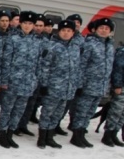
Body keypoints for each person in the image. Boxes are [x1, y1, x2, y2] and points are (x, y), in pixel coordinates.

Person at [0, 11, 43, 148]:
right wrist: (4, 81)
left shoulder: (37, 42)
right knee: (7, 109)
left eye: (30, 23)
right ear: (20, 24)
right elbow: (6, 61)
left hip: (28, 83)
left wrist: (36, 80)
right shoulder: (12, 39)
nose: (27, 26)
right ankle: (2, 135)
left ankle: (10, 134)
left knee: (19, 110)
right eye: (25, 23)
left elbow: (38, 63)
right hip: (12, 82)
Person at [70, 18, 114, 148]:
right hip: (88, 85)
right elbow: (81, 66)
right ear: (96, 29)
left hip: (100, 87)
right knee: (81, 111)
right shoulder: (89, 44)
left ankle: (82, 133)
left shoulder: (109, 46)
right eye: (101, 28)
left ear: (110, 31)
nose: (104, 30)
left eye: (107, 28)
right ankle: (76, 136)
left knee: (90, 112)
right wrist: (79, 85)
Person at [37, 20, 81, 149]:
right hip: (53, 87)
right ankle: (42, 138)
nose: (66, 33)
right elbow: (45, 67)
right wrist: (44, 85)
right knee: (47, 113)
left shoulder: (75, 48)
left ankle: (50, 137)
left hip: (68, 88)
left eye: (69, 31)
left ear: (73, 33)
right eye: (63, 30)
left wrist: (77, 85)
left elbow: (78, 69)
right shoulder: (52, 46)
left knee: (58, 114)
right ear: (59, 31)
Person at [102, 39, 124, 147]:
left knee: (123, 114)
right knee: (116, 111)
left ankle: (114, 133)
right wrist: (117, 85)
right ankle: (107, 135)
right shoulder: (122, 52)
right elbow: (118, 69)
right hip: (121, 88)